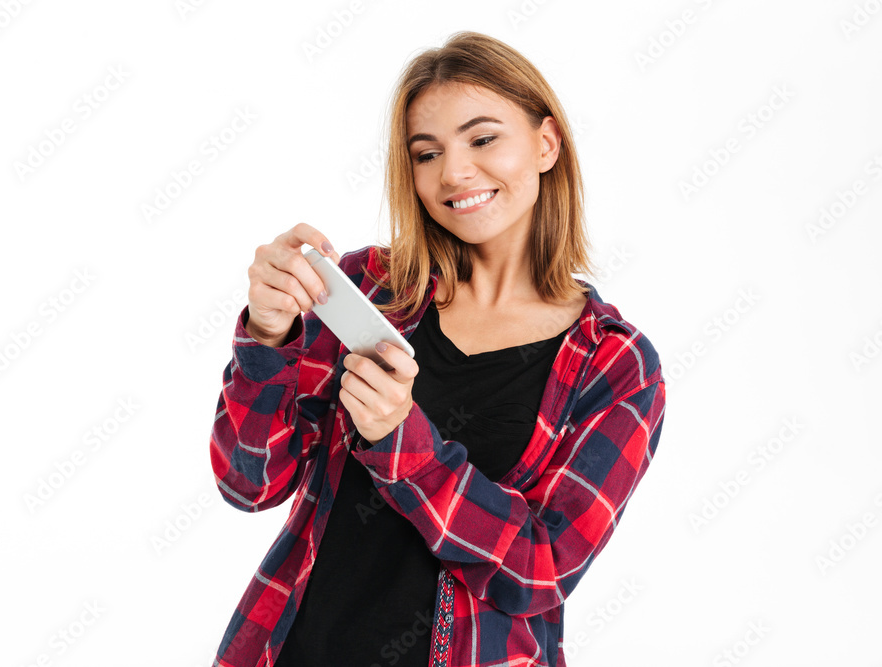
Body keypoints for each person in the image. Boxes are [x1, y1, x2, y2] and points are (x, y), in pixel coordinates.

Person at [208, 30, 666, 667]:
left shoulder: (614, 364)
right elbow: (247, 482)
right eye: (426, 154)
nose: (454, 173)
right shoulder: (371, 290)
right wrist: (266, 336)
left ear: (545, 143)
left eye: (483, 139)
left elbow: (538, 573)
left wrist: (402, 441)